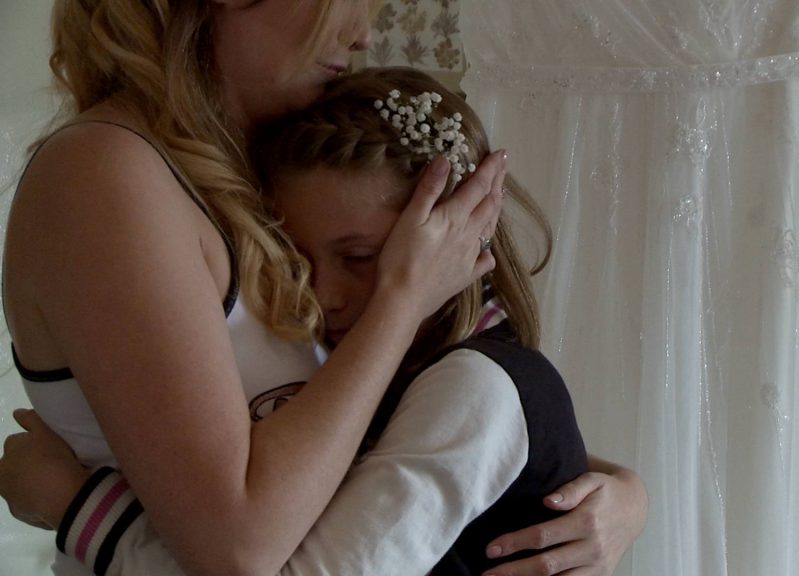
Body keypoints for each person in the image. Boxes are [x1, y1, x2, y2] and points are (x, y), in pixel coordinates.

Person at [0, 2, 647, 576]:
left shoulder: (240, 169)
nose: (366, 32)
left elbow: (364, 436)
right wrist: (401, 298)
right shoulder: (104, 176)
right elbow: (238, 551)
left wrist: (609, 490)